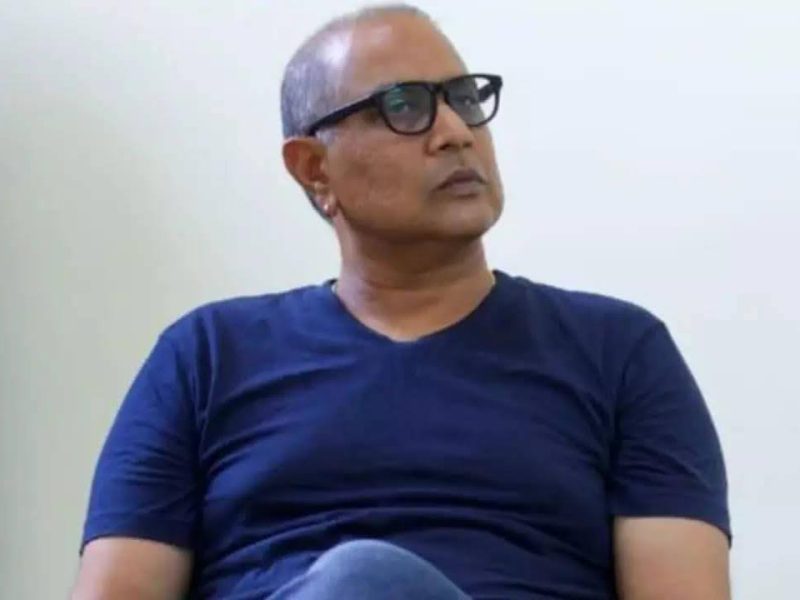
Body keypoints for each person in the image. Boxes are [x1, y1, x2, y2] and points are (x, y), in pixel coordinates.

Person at [72, 4, 731, 599]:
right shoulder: (207, 356)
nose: (456, 131)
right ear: (314, 168)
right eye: (405, 106)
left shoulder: (618, 351)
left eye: (465, 99)